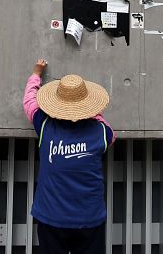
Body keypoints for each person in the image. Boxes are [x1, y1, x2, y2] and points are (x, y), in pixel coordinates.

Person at [23, 59, 115, 254]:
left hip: (51, 216)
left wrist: (36, 75)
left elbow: (30, 102)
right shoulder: (101, 132)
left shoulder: (46, 126)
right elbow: (109, 131)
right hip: (89, 218)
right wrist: (91, 111)